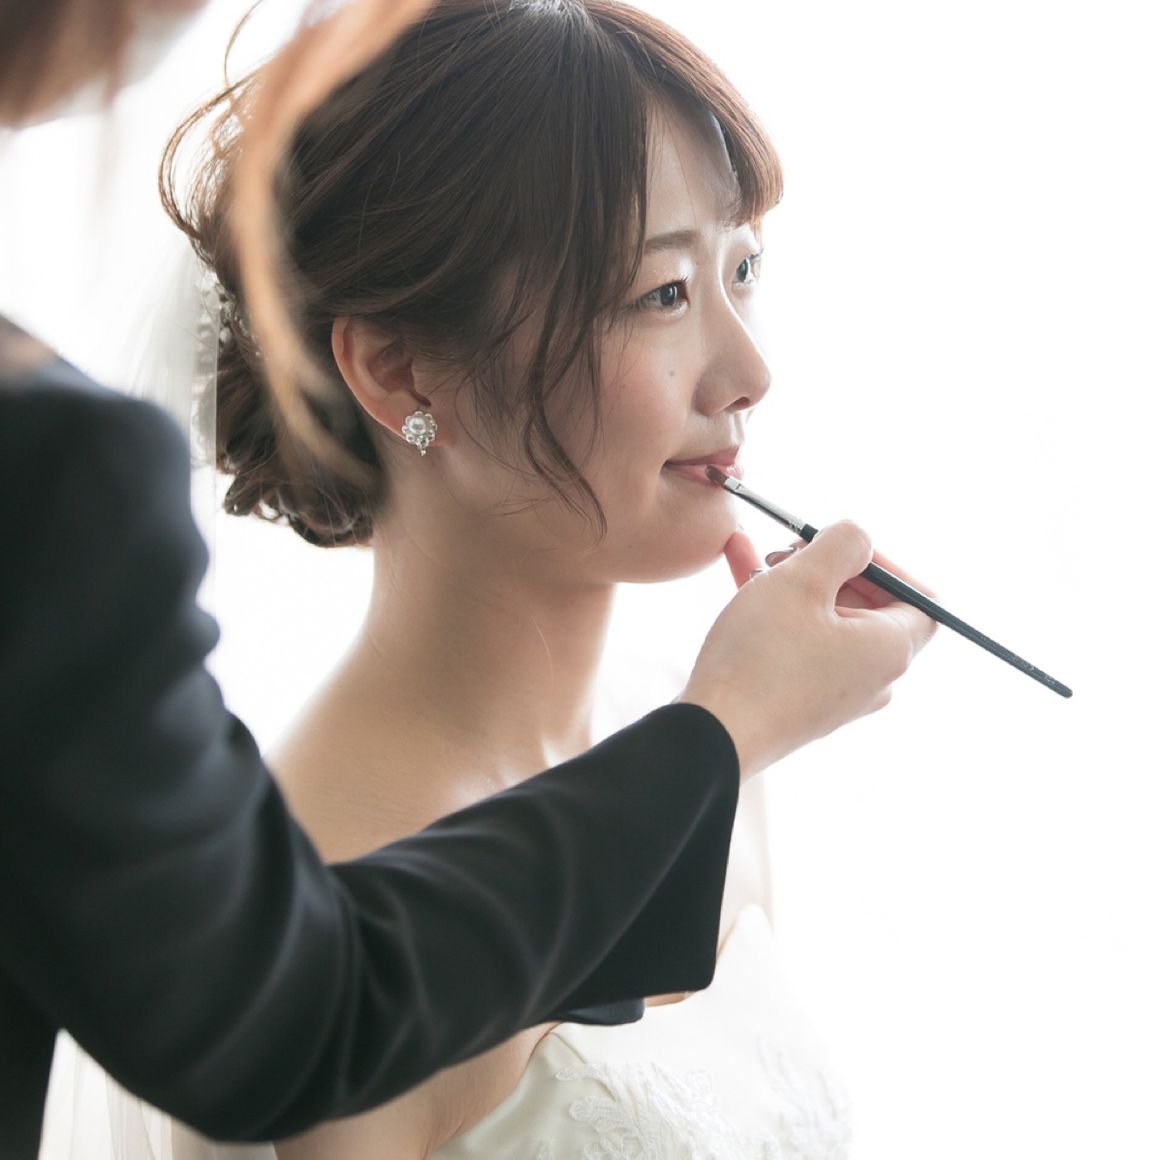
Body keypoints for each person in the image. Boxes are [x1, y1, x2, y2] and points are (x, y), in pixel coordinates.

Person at [0, 1, 933, 1158]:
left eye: (742, 267)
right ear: (397, 371)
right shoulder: (318, 877)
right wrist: (726, 727)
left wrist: (721, 731)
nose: (750, 369)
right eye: (660, 293)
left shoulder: (684, 733)